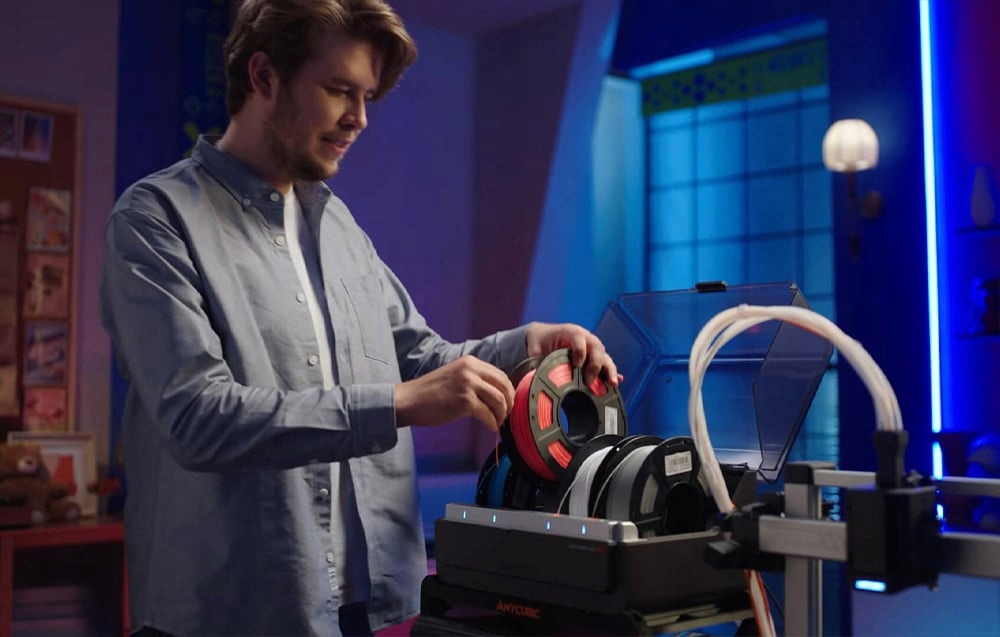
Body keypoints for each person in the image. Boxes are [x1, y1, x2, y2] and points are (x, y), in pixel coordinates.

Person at [99, 1, 620, 636]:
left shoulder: (339, 226)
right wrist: (397, 405)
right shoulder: (155, 219)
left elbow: (421, 359)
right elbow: (197, 417)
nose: (359, 118)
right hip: (232, 611)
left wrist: (526, 344)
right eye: (338, 89)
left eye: (367, 96)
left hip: (363, 607)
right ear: (263, 77)